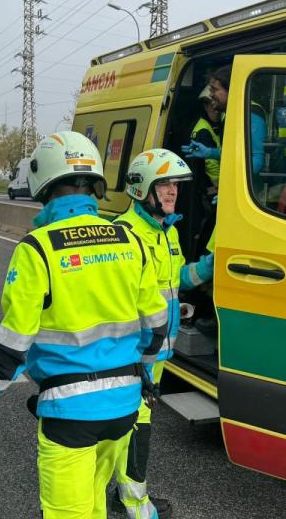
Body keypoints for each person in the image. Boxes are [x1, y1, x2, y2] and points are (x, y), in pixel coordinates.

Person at [0, 131, 169, 519]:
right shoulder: (130, 241)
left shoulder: (37, 248)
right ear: (95, 183)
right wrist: (141, 368)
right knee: (93, 499)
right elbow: (157, 324)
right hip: (124, 406)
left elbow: (14, 342)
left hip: (69, 413)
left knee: (67, 511)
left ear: (45, 187)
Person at [110, 149, 213, 519]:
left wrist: (210, 266)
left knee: (127, 424)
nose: (173, 192)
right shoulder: (125, 234)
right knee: (137, 425)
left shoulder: (165, 232)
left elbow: (178, 279)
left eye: (175, 185)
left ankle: (116, 489)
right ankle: (135, 504)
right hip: (135, 352)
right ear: (142, 189)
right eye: (164, 184)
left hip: (157, 351)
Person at [181, 65, 266, 180]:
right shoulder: (228, 114)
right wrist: (210, 153)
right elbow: (235, 155)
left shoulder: (251, 113)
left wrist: (229, 187)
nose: (210, 95)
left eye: (214, 90)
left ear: (232, 90)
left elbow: (256, 161)